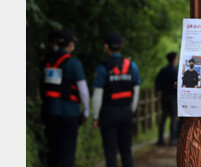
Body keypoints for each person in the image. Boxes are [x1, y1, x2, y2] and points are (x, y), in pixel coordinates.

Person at [41, 29, 90, 167]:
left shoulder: (46, 61)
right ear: (70, 44)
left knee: (53, 151)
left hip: (50, 112)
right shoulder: (74, 64)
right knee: (67, 153)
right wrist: (86, 111)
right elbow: (83, 91)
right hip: (70, 114)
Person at [92, 32, 141, 167]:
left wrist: (95, 117)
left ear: (106, 47)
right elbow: (136, 91)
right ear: (122, 46)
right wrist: (132, 110)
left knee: (110, 151)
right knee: (126, 150)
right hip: (126, 112)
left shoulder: (102, 68)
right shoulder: (132, 66)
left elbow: (97, 94)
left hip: (108, 113)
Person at [155, 52, 178, 146]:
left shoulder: (163, 70)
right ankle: (173, 139)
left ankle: (160, 139)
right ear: (174, 59)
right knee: (173, 118)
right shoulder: (175, 71)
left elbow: (157, 82)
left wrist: (159, 91)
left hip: (164, 96)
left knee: (163, 118)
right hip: (173, 97)